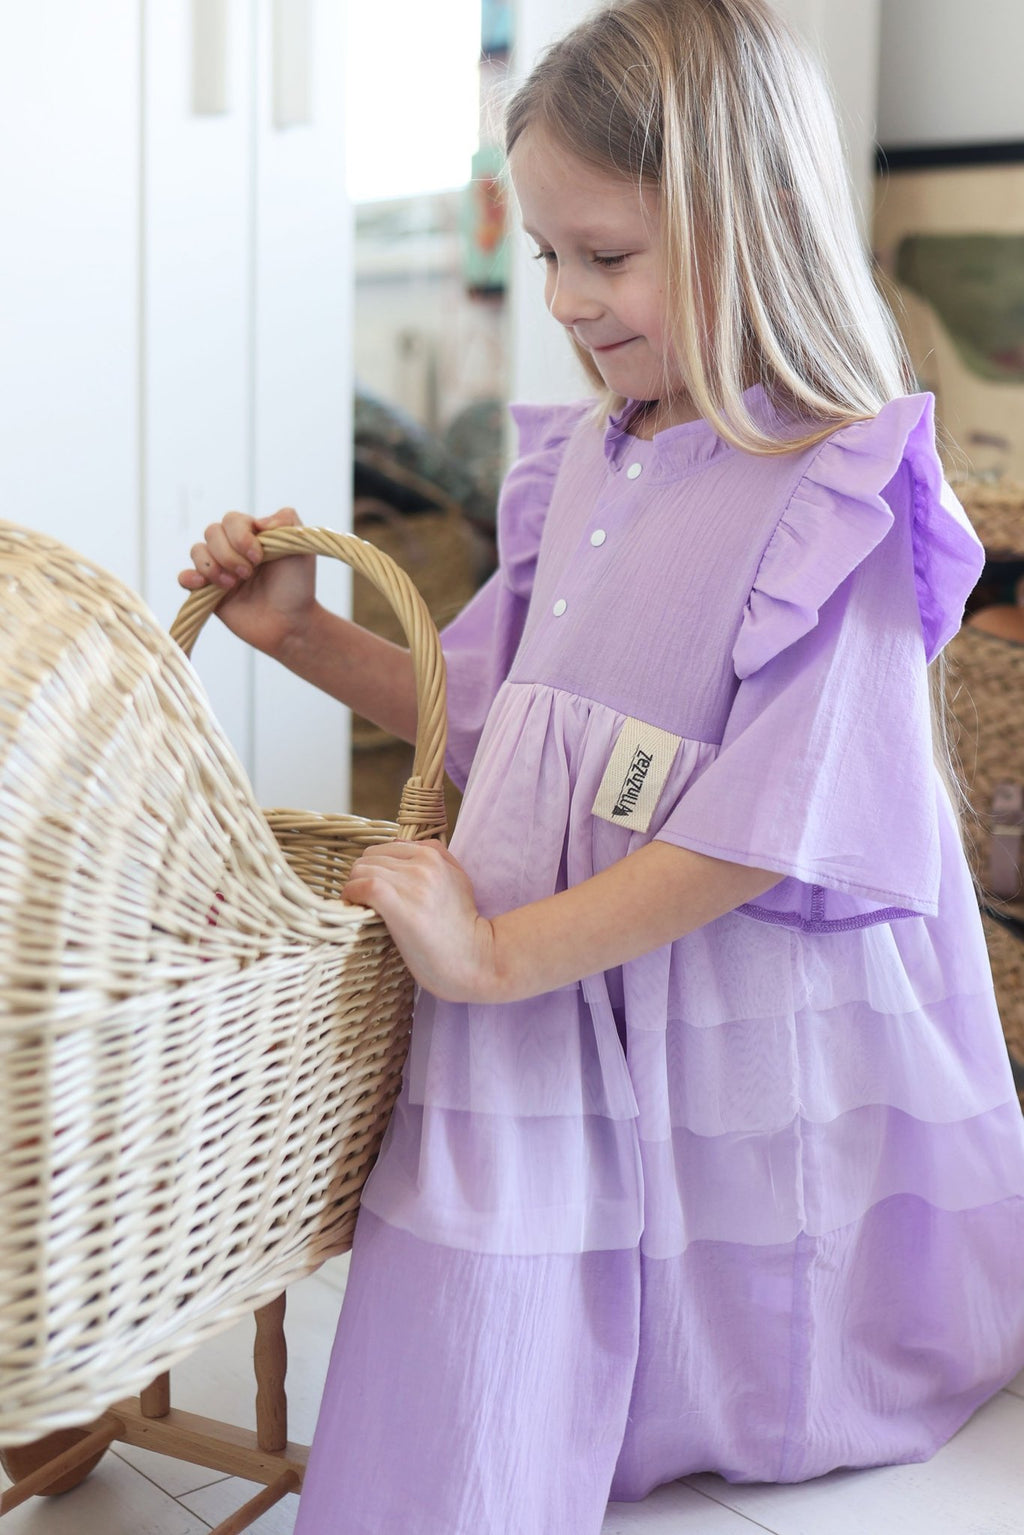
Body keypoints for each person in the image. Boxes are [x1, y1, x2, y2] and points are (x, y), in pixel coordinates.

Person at [180, 2, 1024, 1529]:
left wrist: (498, 957)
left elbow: (771, 826)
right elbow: (509, 713)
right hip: (554, 1004)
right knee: (472, 1355)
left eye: (606, 256)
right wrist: (304, 640)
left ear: (753, 221)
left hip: (695, 987)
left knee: (748, 1295)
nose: (565, 298)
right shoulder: (584, 458)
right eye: (548, 253)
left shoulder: (827, 485)